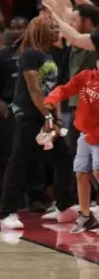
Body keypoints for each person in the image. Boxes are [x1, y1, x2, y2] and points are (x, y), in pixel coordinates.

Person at [0, 14, 75, 229]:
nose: (57, 31)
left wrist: (57, 119)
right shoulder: (29, 55)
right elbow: (34, 90)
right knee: (19, 161)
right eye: (52, 27)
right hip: (29, 115)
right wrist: (48, 116)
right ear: (41, 30)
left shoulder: (49, 55)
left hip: (47, 114)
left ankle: (64, 206)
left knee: (64, 158)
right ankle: (7, 212)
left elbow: (54, 91)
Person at [43, 59, 99, 233]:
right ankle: (86, 216)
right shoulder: (85, 76)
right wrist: (52, 99)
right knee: (81, 173)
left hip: (96, 136)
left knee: (97, 171)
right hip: (84, 134)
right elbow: (64, 89)